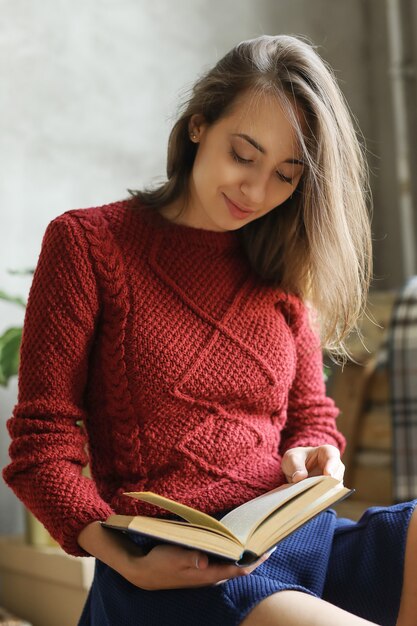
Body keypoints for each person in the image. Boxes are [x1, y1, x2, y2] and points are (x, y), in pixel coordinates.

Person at [3, 34, 417, 626]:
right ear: (199, 125)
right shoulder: (89, 246)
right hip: (178, 571)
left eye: (286, 174)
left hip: (294, 539)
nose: (256, 190)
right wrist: (126, 561)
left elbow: (310, 415)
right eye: (243, 154)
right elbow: (41, 447)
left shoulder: (282, 261)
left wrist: (314, 452)